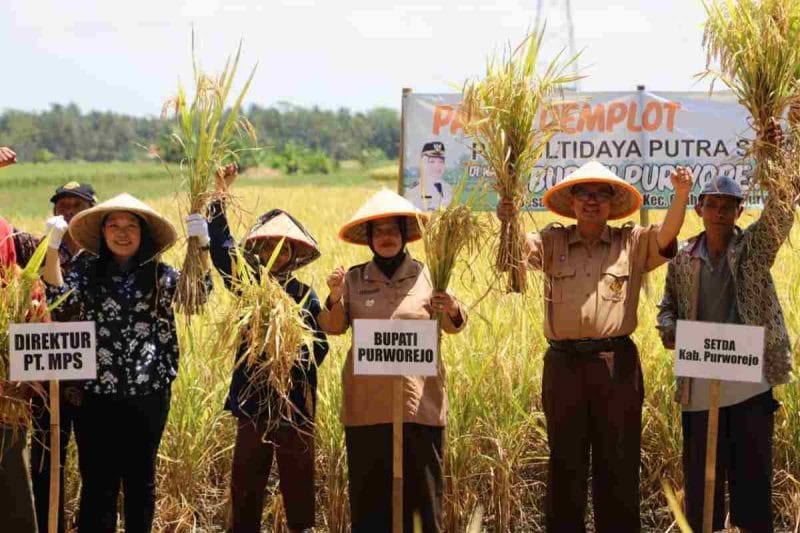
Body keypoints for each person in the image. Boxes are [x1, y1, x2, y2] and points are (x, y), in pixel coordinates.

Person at [497, 160, 692, 532]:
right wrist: (508, 219)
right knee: (565, 461)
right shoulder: (552, 241)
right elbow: (513, 257)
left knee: (618, 461)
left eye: (600, 195)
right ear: (571, 203)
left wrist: (680, 195)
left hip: (615, 365)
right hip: (563, 367)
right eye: (583, 194)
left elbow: (665, 237)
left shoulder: (630, 243)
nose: (591, 201)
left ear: (611, 203)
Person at [42, 193, 211, 533]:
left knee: (140, 481)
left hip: (147, 394)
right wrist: (51, 246)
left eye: (131, 226)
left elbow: (198, 296)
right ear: (102, 233)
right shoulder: (87, 272)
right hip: (95, 395)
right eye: (114, 226)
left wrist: (203, 247)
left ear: (143, 234)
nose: (122, 233)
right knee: (97, 483)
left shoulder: (161, 275)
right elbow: (58, 303)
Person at [657, 124, 794, 533]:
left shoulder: (752, 250)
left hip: (750, 388)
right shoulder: (682, 260)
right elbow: (667, 311)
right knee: (703, 492)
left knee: (753, 488)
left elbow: (784, 206)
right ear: (699, 209)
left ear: (739, 211)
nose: (719, 212)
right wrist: (672, 333)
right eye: (712, 204)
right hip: (701, 391)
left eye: (728, 205)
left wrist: (777, 149)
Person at [319, 188, 467, 532]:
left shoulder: (430, 276)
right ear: (369, 239)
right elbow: (333, 326)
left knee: (423, 503)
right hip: (368, 409)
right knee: (371, 503)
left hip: (420, 406)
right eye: (379, 231)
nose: (386, 238)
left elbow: (454, 325)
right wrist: (335, 296)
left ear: (404, 235)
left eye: (393, 230)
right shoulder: (355, 279)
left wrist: (451, 307)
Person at [208, 165, 328, 533]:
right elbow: (222, 249)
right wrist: (219, 196)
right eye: (269, 246)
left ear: (294, 254)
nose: (277, 253)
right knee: (246, 482)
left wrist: (289, 351)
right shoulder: (249, 288)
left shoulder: (305, 295)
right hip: (253, 402)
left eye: (284, 247)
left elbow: (319, 346)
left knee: (298, 481)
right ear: (258, 251)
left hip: (296, 404)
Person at [14, 181, 98, 533]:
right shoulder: (35, 248)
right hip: (47, 376)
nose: (67, 212)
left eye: (76, 206)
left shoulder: (103, 252)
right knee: (46, 464)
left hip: (94, 381)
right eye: (61, 206)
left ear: (91, 212)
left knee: (98, 467)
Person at [0, 216, 46, 533]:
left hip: (8, 414)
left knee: (13, 492)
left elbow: (41, 344)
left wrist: (29, 383)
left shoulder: (24, 286)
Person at [405, 142, 453, 211]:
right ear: (422, 163)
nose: (437, 167)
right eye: (432, 161)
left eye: (441, 162)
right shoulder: (413, 189)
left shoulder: (448, 189)